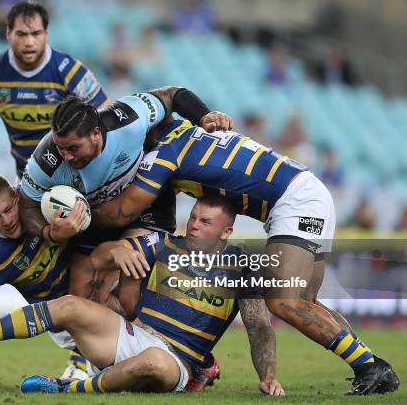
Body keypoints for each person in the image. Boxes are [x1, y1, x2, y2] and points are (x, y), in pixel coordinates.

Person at [91, 124, 400, 395]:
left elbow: (123, 210)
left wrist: (83, 216)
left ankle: (371, 366)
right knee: (306, 301)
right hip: (308, 192)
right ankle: (368, 364)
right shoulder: (193, 134)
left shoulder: (164, 154)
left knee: (283, 300)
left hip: (296, 202)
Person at [0, 195, 283, 395]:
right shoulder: (164, 243)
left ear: (227, 231)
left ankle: (67, 389)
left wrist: (267, 377)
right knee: (70, 305)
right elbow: (100, 257)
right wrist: (114, 252)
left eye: (205, 222)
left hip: (175, 361)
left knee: (154, 362)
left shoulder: (243, 264)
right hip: (135, 335)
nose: (193, 225)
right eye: (192, 217)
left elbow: (258, 326)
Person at [18, 86, 232, 303]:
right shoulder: (45, 163)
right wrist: (49, 232)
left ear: (95, 134)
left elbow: (171, 95)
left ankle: (152, 321)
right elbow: (26, 206)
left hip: (146, 202)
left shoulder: (128, 118)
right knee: (82, 301)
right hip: (95, 215)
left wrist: (204, 115)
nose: (66, 157)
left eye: (73, 148)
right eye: (60, 148)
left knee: (130, 298)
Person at [0, 1, 110, 224]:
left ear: (46, 34)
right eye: (21, 34)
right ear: (8, 33)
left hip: (77, 181)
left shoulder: (70, 72)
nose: (29, 42)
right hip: (29, 185)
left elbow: (107, 120)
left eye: (36, 33)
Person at [0, 172, 90, 391]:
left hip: (97, 291)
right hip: (66, 326)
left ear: (17, 197)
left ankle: (81, 366)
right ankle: (82, 365)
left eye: (7, 210)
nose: (5, 221)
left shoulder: (44, 200)